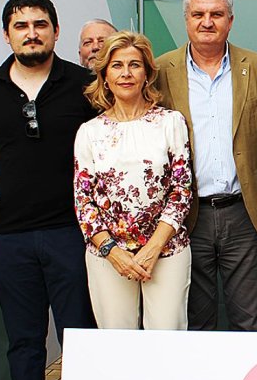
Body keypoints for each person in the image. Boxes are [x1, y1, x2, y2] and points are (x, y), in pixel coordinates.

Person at [0, 0, 97, 380]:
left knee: (79, 337)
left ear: (56, 31)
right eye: (21, 26)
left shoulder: (82, 84)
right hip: (8, 236)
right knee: (23, 341)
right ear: (7, 34)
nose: (31, 33)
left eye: (40, 24)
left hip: (71, 232)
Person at [154, 0, 257, 331]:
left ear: (230, 20)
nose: (207, 22)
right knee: (195, 319)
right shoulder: (160, 71)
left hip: (244, 214)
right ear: (186, 20)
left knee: (249, 319)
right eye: (198, 14)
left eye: (216, 14)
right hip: (187, 216)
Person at [73, 31, 193, 329]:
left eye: (134, 65)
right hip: (108, 256)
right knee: (117, 346)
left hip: (166, 252)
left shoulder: (170, 122)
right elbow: (83, 200)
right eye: (117, 65)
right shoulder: (89, 131)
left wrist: (152, 249)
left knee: (166, 342)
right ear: (104, 74)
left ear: (147, 73)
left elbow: (181, 190)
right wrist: (112, 252)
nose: (126, 73)